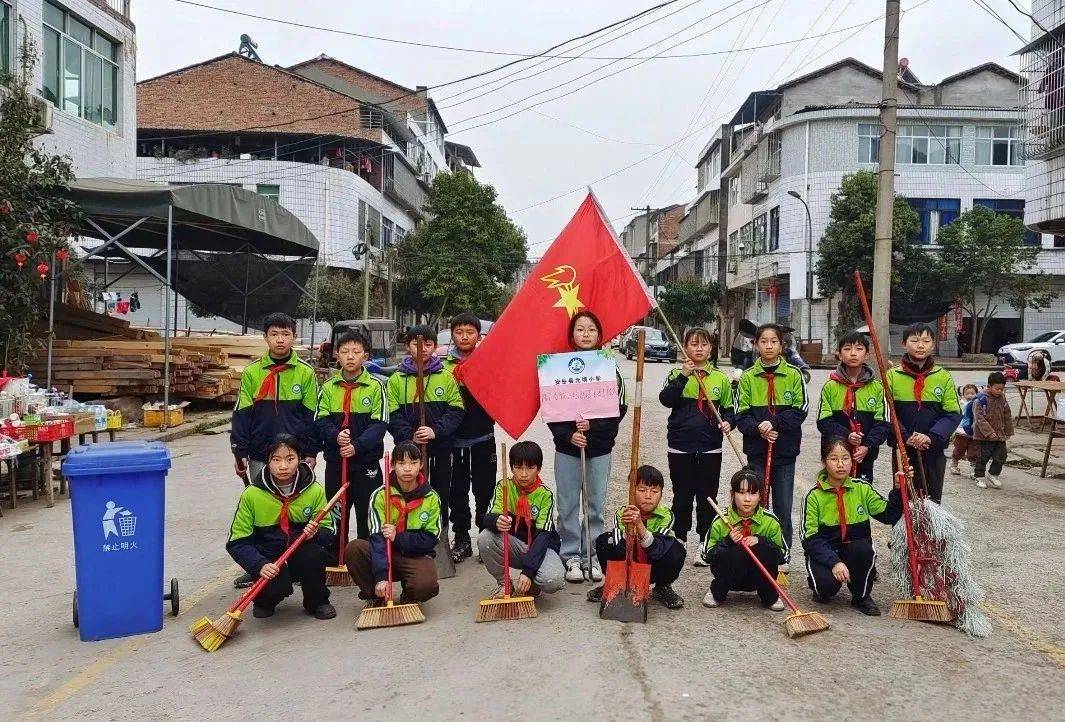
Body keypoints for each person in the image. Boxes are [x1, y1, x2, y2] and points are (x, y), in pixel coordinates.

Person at [230, 312, 320, 588]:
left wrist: (310, 452)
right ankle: (257, 564)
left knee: (297, 507)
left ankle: (299, 561)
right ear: (265, 337)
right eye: (274, 334)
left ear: (294, 336)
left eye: (286, 334)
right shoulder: (252, 373)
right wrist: (239, 451)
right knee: (261, 507)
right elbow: (242, 413)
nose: (280, 340)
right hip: (260, 453)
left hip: (294, 454)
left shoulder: (305, 373)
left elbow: (311, 416)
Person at [546, 311, 627, 584]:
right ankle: (570, 556)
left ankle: (591, 555)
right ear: (572, 335)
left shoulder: (609, 366)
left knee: (595, 505)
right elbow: (552, 408)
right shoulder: (557, 366)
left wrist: (593, 428)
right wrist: (568, 435)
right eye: (580, 329)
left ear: (599, 335)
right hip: (567, 450)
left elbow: (619, 408)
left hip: (600, 450)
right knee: (567, 504)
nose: (586, 334)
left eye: (591, 329)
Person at [226, 434, 337, 620]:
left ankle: (317, 601)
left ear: (300, 459)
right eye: (276, 460)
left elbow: (329, 531)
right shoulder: (252, 495)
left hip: (300, 549)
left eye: (290, 459)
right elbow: (237, 542)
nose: (283, 466)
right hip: (268, 556)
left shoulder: (314, 490)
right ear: (267, 462)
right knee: (274, 590)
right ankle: (264, 600)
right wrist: (259, 565)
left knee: (314, 556)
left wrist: (316, 534)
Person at [800, 437, 902, 616]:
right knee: (825, 587)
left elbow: (889, 515)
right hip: (827, 553)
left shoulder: (862, 489)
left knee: (863, 549)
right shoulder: (813, 496)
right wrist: (834, 562)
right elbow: (810, 539)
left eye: (845, 458)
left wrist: (897, 490)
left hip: (854, 550)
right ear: (824, 461)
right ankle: (821, 585)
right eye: (834, 459)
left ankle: (861, 596)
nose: (840, 464)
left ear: (852, 460)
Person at [735, 323, 808, 570]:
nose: (768, 345)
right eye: (763, 341)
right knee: (756, 502)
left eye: (773, 341)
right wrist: (759, 429)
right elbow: (741, 415)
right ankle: (757, 551)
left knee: (783, 507)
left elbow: (800, 410)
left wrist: (773, 423)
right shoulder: (747, 378)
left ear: (781, 345)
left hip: (785, 452)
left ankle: (782, 553)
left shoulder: (794, 375)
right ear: (756, 345)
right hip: (757, 452)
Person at [659, 327, 735, 562]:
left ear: (711, 349)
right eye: (693, 344)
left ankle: (704, 541)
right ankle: (679, 537)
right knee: (682, 495)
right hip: (680, 445)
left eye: (703, 344)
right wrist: (684, 375)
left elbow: (730, 411)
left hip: (710, 446)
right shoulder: (675, 375)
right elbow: (666, 400)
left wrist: (728, 423)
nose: (699, 348)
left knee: (707, 496)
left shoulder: (721, 379)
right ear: (685, 347)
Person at [386, 325, 464, 542]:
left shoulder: (445, 377)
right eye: (416, 344)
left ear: (435, 347)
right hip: (410, 450)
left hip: (440, 446)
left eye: (428, 345)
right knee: (410, 489)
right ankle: (409, 534)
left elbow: (456, 410)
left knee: (440, 491)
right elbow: (391, 414)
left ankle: (440, 536)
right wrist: (410, 436)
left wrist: (435, 431)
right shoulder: (396, 381)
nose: (422, 349)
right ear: (407, 346)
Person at [345, 442, 441, 608]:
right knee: (355, 549)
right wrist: (381, 576)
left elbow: (431, 539)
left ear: (421, 464)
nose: (407, 469)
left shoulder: (431, 497)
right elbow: (376, 538)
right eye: (401, 463)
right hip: (383, 553)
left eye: (413, 463)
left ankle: (409, 594)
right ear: (392, 465)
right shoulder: (380, 495)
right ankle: (375, 595)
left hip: (414, 554)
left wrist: (398, 537)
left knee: (426, 586)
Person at [315, 329, 387, 550]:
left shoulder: (376, 387)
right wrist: (335, 436)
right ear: (337, 354)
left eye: (356, 351)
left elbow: (380, 424)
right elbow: (320, 419)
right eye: (345, 351)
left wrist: (357, 446)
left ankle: (366, 557)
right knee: (337, 512)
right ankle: (337, 554)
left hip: (366, 465)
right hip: (337, 464)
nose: (350, 356)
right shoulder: (328, 387)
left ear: (366, 356)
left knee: (368, 513)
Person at [587, 465, 685, 609]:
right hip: (628, 566)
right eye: (642, 490)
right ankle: (614, 583)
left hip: (654, 566)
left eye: (654, 491)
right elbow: (620, 547)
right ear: (632, 492)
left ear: (661, 494)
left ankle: (662, 587)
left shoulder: (667, 515)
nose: (648, 496)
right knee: (606, 541)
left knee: (675, 549)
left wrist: (639, 524)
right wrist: (629, 528)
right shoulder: (622, 513)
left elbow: (657, 548)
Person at [884, 323, 961, 504]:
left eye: (926, 341)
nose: (921, 345)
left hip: (933, 449)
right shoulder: (892, 376)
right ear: (904, 344)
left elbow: (953, 412)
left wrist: (931, 437)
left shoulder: (943, 376)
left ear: (932, 344)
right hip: (903, 449)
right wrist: (905, 436)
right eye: (915, 340)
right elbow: (886, 412)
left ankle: (929, 533)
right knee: (904, 498)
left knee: (931, 500)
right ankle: (905, 532)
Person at [477, 441, 565, 597]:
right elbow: (488, 517)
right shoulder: (504, 487)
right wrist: (496, 520)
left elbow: (543, 536)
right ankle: (504, 584)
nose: (524, 474)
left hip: (540, 547)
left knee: (553, 580)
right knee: (485, 538)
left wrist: (528, 572)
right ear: (511, 468)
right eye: (518, 467)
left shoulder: (545, 495)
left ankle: (533, 584)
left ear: (538, 468)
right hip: (514, 546)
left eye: (530, 468)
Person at [443, 313, 497, 564]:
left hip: (484, 437)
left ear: (478, 335)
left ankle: (486, 540)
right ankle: (462, 538)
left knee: (485, 490)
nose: (464, 336)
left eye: (470, 332)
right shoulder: (443, 367)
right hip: (454, 441)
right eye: (459, 332)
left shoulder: (488, 361)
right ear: (452, 334)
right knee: (457, 492)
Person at [700, 468, 786, 610]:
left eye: (753, 493)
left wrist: (762, 541)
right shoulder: (721, 520)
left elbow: (784, 556)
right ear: (732, 494)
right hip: (729, 578)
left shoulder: (771, 521)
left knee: (764, 547)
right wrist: (727, 542)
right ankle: (716, 592)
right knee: (733, 551)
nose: (747, 499)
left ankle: (770, 595)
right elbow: (706, 556)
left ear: (761, 496)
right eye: (741, 492)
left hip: (759, 578)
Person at [816, 331, 890, 483]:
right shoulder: (830, 387)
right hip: (836, 456)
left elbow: (882, 423)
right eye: (848, 349)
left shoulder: (877, 388)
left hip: (864, 456)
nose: (853, 353)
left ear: (867, 355)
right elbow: (823, 421)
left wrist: (867, 446)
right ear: (839, 354)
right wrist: (847, 436)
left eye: (859, 349)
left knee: (861, 498)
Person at [971, 372, 1015, 490]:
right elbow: (979, 419)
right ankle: (979, 477)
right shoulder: (980, 400)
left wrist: (1009, 431)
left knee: (1001, 456)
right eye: (997, 389)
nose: (1000, 391)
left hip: (1000, 435)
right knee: (982, 457)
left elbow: (1007, 415)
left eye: (1002, 389)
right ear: (989, 386)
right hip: (984, 436)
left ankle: (993, 474)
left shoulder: (1003, 399)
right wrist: (989, 432)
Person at [950, 384, 980, 478]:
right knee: (959, 450)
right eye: (967, 393)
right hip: (961, 432)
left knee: (974, 452)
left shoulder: (978, 403)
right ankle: (954, 465)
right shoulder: (960, 404)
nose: (970, 395)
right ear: (963, 395)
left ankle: (973, 471)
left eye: (972, 393)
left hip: (974, 432)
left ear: (977, 394)